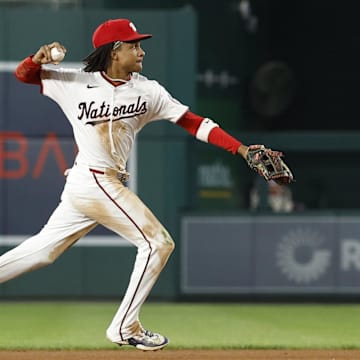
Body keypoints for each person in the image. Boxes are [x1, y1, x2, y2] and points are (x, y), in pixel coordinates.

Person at [1, 18, 257, 351]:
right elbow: (25, 76)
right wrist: (37, 60)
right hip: (92, 179)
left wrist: (240, 148)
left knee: (43, 251)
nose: (141, 51)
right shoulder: (75, 81)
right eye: (134, 45)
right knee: (158, 242)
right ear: (115, 50)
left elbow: (194, 123)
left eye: (140, 44)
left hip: (95, 183)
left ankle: (125, 325)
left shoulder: (148, 90)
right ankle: (125, 326)